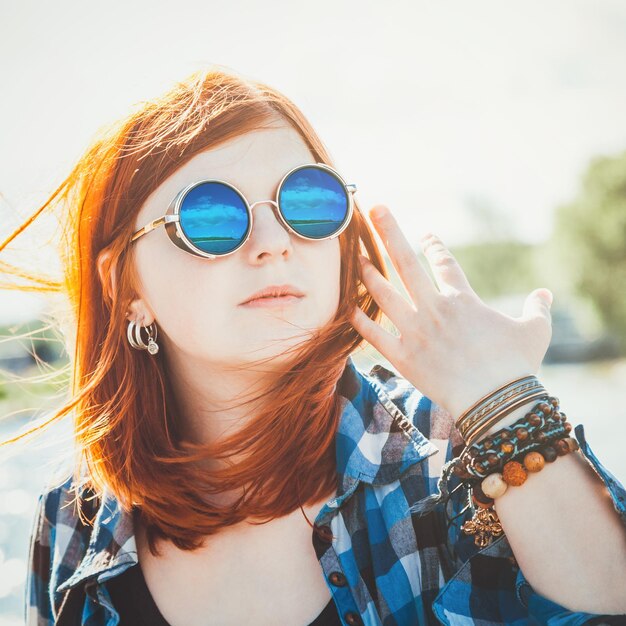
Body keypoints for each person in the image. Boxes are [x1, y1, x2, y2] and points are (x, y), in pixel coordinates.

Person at [2, 66, 625, 626]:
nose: (274, 243)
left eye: (307, 201)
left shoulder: (461, 456)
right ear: (124, 284)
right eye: (210, 216)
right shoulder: (69, 520)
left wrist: (502, 399)